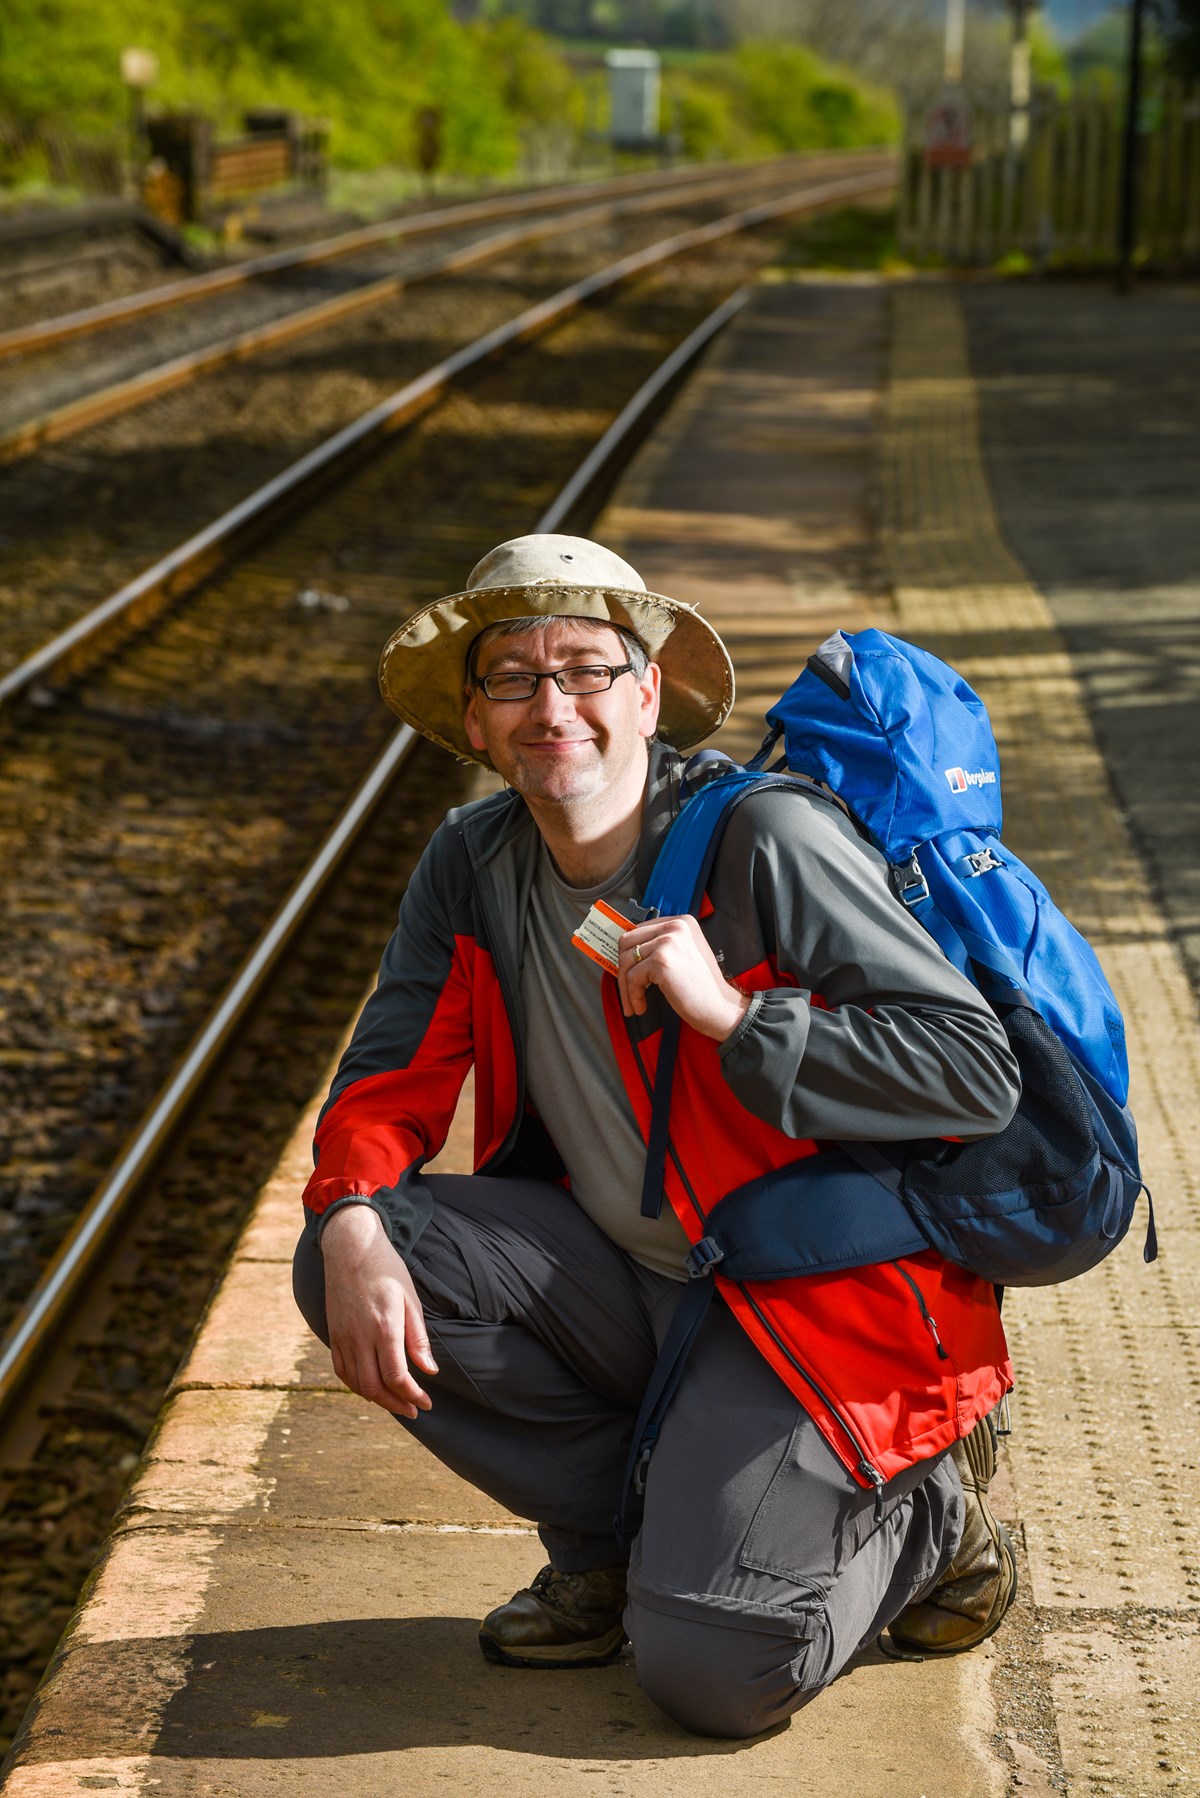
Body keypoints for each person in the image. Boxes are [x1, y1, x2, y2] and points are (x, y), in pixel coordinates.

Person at [293, 534, 1022, 1739]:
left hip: (807, 1300)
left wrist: (737, 1015)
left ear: (646, 694)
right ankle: (606, 1551)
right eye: (512, 678)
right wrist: (354, 1214)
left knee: (712, 1677)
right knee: (356, 1257)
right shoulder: (472, 860)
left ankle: (929, 1513)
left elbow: (969, 1067)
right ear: (475, 722)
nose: (551, 704)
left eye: (584, 668)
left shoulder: (767, 839)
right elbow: (388, 1076)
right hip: (621, 1273)